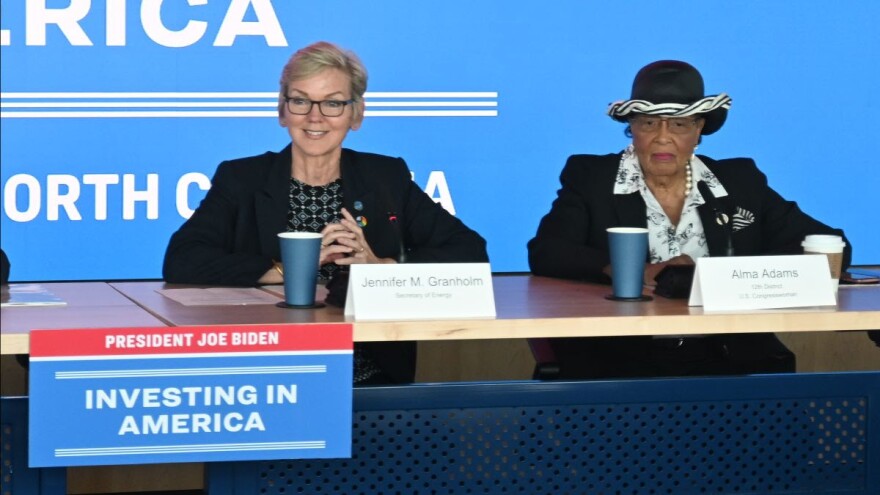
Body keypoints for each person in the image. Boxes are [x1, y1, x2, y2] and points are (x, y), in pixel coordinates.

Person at [163, 41, 489, 385]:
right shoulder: (242, 179)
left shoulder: (385, 178)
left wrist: (380, 270)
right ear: (282, 110)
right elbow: (182, 259)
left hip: (367, 378)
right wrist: (289, 268)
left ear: (356, 114)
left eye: (333, 103)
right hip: (266, 374)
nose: (315, 117)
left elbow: (470, 252)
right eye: (301, 101)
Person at [528, 60, 851, 379]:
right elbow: (547, 251)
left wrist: (743, 277)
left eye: (680, 124)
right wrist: (635, 270)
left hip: (728, 357)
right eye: (649, 123)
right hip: (618, 359)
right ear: (633, 130)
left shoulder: (739, 182)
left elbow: (832, 246)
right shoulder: (592, 177)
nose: (663, 137)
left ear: (698, 131)